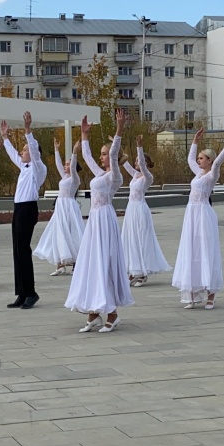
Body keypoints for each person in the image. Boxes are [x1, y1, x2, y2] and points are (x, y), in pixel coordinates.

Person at [66, 112, 133, 332]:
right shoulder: (99, 175)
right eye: (102, 154)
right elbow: (86, 156)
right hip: (94, 221)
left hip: (105, 220)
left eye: (104, 154)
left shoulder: (115, 177)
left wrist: (119, 130)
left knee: (104, 262)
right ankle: (93, 312)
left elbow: (114, 155)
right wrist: (84, 134)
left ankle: (112, 313)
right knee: (92, 263)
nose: (102, 157)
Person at [172, 126, 224, 309]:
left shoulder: (211, 175)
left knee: (206, 250)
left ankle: (211, 295)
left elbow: (217, 164)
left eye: (202, 158)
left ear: (209, 160)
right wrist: (195, 141)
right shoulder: (198, 173)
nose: (198, 161)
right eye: (199, 158)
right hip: (191, 214)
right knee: (192, 249)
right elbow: (189, 160)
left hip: (203, 213)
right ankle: (193, 293)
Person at [1, 111, 47, 309]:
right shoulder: (24, 167)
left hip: (28, 209)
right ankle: (21, 292)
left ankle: (31, 292)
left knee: (24, 250)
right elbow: (12, 154)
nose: (22, 151)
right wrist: (5, 138)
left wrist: (28, 130)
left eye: (25, 149)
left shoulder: (38, 167)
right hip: (18, 208)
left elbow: (34, 151)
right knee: (17, 251)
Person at [121, 136, 171, 286]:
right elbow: (124, 164)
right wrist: (116, 147)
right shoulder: (135, 176)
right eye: (136, 160)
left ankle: (142, 273)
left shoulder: (148, 177)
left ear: (146, 163)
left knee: (140, 239)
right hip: (131, 209)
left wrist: (139, 147)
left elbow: (142, 165)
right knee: (131, 239)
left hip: (140, 209)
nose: (136, 162)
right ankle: (134, 270)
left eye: (139, 160)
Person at [35, 140, 84, 276]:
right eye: (66, 164)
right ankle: (60, 263)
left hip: (69, 207)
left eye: (67, 164)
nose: (65, 166)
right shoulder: (65, 177)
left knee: (71, 232)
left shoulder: (75, 179)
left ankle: (76, 261)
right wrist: (56, 149)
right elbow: (57, 165)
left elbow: (73, 167)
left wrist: (74, 152)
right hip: (60, 207)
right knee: (59, 232)